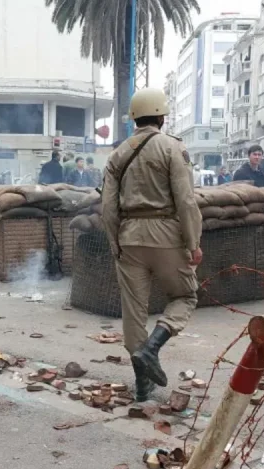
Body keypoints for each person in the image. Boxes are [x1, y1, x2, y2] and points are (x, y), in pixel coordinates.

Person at [101, 88, 202, 403]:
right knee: (185, 296)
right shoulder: (172, 148)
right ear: (162, 116)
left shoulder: (117, 154)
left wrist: (114, 241)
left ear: (133, 118)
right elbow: (186, 201)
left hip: (128, 237)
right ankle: (152, 348)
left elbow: (106, 207)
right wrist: (193, 242)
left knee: (134, 312)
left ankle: (142, 385)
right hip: (166, 235)